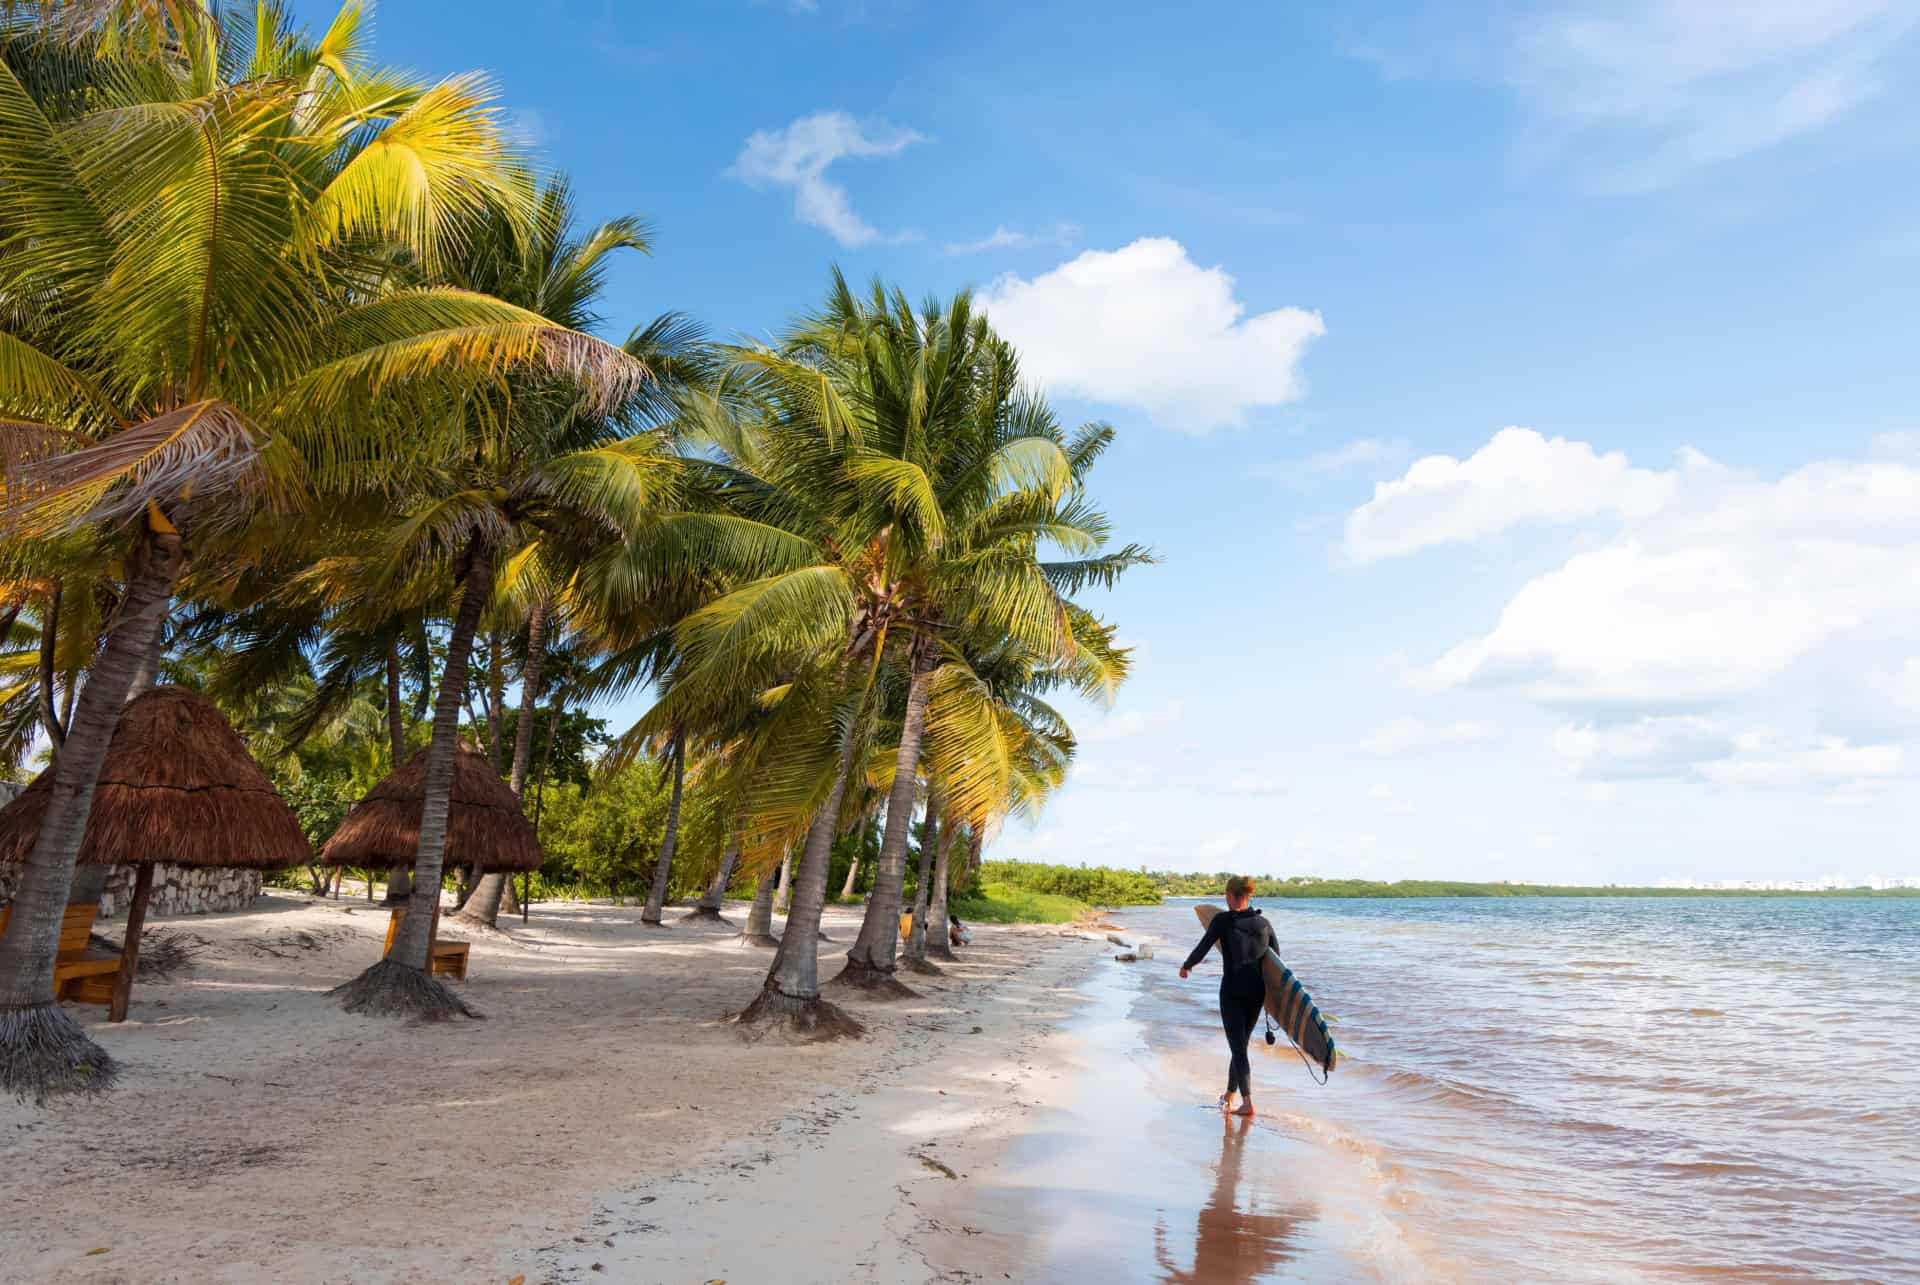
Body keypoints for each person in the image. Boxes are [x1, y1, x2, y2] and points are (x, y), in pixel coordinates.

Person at [1179, 875, 1274, 1117]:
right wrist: (1274, 1002)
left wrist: (1187, 965)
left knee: (1238, 1049)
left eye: (1226, 896)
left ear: (1230, 896)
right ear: (1248, 896)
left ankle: (1248, 1103)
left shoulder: (1223, 921)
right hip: (1257, 993)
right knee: (1239, 1046)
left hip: (1232, 991)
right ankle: (1230, 1095)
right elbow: (1276, 965)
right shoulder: (1264, 924)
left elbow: (1204, 946)